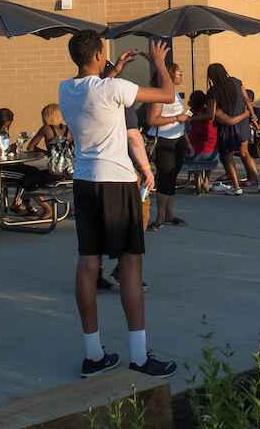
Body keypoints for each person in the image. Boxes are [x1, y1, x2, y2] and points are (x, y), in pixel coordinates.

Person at [59, 31, 176, 379]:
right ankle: (139, 357)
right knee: (130, 266)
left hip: (84, 181)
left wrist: (114, 71)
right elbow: (168, 94)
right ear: (97, 54)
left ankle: (93, 355)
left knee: (88, 263)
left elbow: (98, 91)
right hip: (116, 180)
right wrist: (159, 63)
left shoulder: (67, 89)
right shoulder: (113, 88)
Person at [208, 62, 260, 195]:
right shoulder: (237, 82)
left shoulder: (213, 91)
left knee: (227, 157)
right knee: (245, 153)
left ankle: (237, 187)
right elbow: (247, 100)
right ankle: (258, 183)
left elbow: (211, 114)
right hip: (243, 124)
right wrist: (253, 117)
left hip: (226, 127)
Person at [145, 62, 189, 230]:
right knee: (164, 178)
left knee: (172, 178)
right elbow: (152, 120)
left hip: (178, 140)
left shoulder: (174, 94)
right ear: (170, 75)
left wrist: (187, 139)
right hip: (164, 141)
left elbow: (180, 119)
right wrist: (176, 119)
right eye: (179, 73)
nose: (181, 76)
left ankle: (169, 213)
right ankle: (160, 216)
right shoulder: (159, 94)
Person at [183, 90, 220, 194]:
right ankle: (207, 179)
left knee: (191, 145)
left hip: (195, 154)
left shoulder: (191, 115)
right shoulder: (209, 113)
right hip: (212, 155)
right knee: (210, 148)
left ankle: (197, 177)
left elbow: (185, 120)